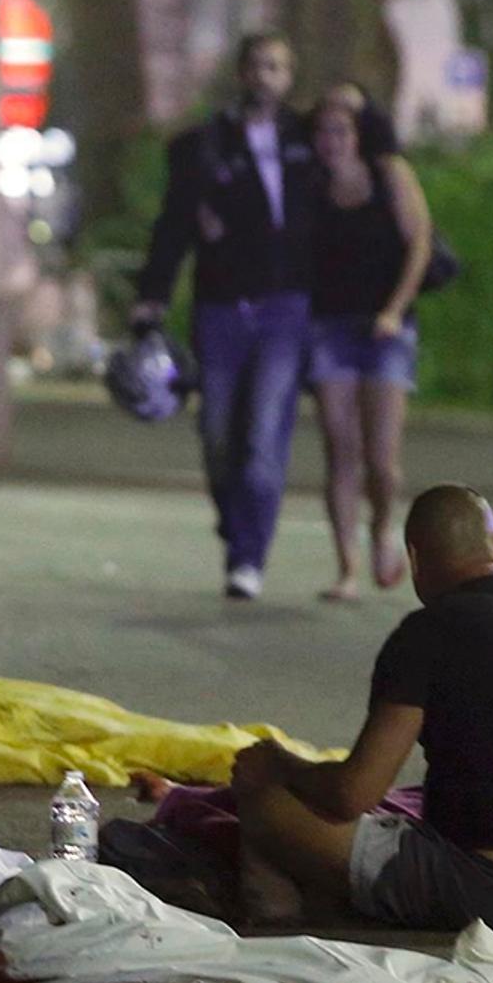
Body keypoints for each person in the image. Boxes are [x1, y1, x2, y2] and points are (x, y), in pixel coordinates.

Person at [227, 484, 493, 935]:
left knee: (266, 799)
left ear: (414, 558)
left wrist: (279, 762)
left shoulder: (426, 633)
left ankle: (276, 924)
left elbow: (352, 794)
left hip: (490, 896)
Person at [132, 33, 322, 601]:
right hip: (220, 309)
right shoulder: (207, 144)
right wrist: (152, 296)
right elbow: (174, 224)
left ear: (290, 76)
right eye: (257, 66)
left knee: (265, 433)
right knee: (217, 433)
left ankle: (247, 556)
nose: (266, 76)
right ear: (241, 74)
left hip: (285, 310)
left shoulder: (310, 140)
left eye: (278, 66)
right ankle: (234, 516)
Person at [305, 84, 433, 601]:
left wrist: (393, 311)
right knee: (341, 448)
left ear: (358, 134)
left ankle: (382, 529)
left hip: (386, 329)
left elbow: (419, 242)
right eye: (322, 131)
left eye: (340, 130)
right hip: (328, 327)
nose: (330, 140)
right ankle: (347, 568)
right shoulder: (310, 185)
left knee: (382, 459)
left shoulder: (389, 175)